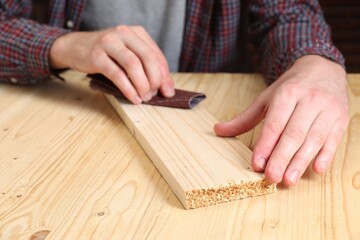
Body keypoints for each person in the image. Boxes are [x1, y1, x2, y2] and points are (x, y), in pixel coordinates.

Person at [0, 0, 349, 186]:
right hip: (75, 114)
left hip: (214, 113)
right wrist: (61, 45)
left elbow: (287, 13)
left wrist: (315, 60)